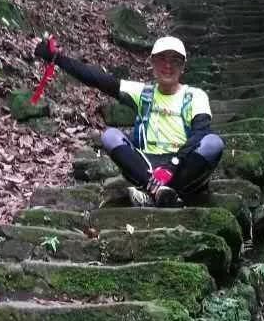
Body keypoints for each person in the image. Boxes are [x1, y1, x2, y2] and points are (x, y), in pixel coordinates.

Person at [32, 33, 223, 208]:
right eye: (162, 59)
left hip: (182, 164)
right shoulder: (143, 93)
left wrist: (173, 164)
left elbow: (201, 133)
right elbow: (99, 79)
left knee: (213, 143)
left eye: (175, 60)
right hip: (147, 166)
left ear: (183, 66)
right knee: (110, 136)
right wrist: (57, 59)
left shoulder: (195, 95)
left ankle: (157, 192)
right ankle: (160, 191)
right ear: (152, 63)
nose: (168, 66)